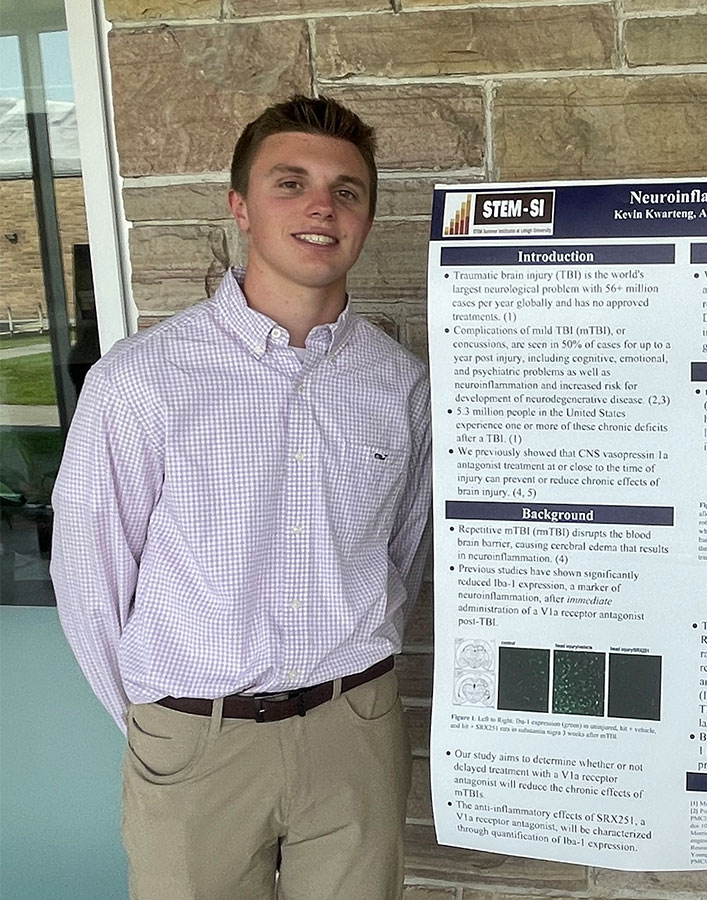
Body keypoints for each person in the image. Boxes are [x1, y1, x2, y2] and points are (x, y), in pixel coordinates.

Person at [50, 95, 432, 900]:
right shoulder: (142, 381)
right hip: (197, 742)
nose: (322, 205)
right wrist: (162, 727)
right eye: (289, 183)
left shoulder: (398, 385)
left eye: (347, 189)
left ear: (366, 217)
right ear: (240, 207)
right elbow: (89, 580)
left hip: (353, 734)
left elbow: (400, 547)